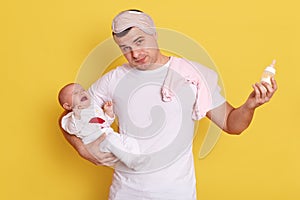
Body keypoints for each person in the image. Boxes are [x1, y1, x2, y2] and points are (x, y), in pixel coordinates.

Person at [60, 9, 278, 200]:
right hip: (125, 192)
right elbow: (69, 116)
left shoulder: (193, 74)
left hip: (176, 192)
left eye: (139, 41)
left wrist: (250, 106)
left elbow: (232, 125)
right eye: (125, 48)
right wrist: (82, 148)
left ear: (154, 33)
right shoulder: (113, 79)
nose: (135, 53)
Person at [58, 83, 148, 171]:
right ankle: (132, 162)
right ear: (68, 106)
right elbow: (72, 129)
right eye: (75, 93)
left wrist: (108, 113)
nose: (81, 93)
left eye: (82, 90)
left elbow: (105, 123)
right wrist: (76, 113)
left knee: (129, 141)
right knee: (111, 140)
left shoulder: (94, 108)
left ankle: (137, 158)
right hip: (97, 145)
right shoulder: (71, 119)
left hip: (110, 137)